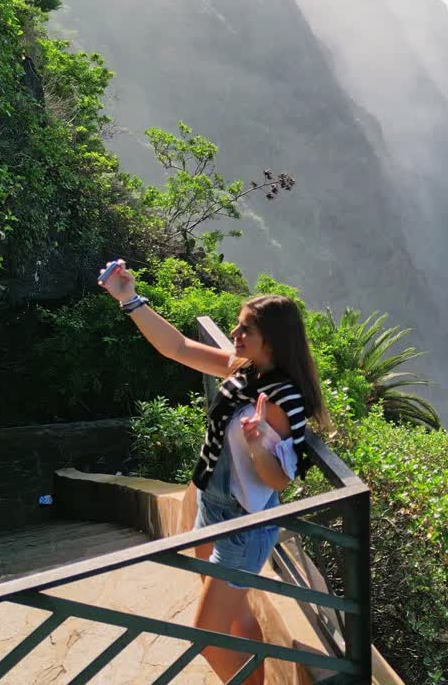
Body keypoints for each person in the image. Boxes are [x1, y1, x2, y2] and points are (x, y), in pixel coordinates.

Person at [98, 259, 329, 685]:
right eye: (237, 327)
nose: (235, 335)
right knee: (237, 614)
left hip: (243, 525)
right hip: (212, 507)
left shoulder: (282, 398)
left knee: (204, 633)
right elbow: (179, 348)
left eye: (246, 330)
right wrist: (129, 299)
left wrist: (260, 442)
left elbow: (279, 480)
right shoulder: (246, 371)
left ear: (273, 341)